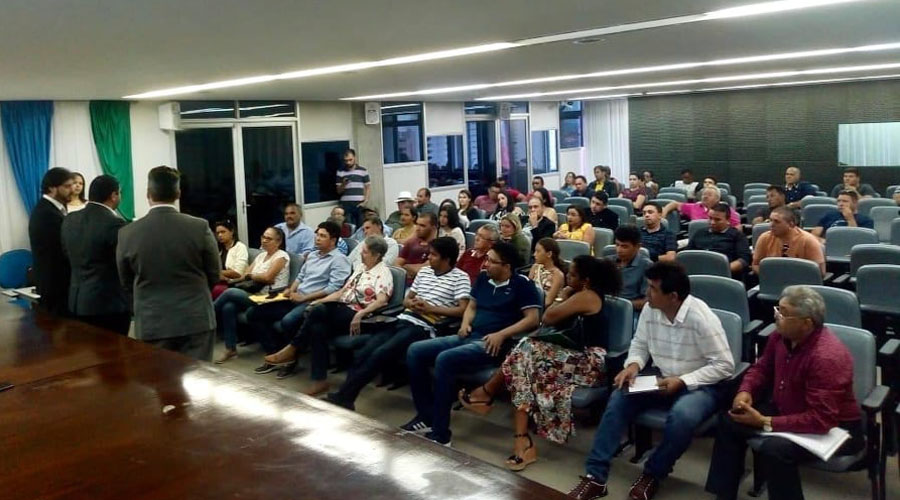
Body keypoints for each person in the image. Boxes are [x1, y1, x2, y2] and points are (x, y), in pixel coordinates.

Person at [568, 262, 734, 500]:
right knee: (619, 398)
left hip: (701, 386)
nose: (647, 293)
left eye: (653, 289)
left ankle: (653, 474)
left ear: (673, 296)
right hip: (662, 377)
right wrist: (633, 365)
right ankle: (595, 477)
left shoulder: (701, 319)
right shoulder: (651, 309)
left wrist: (683, 380)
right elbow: (640, 344)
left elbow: (724, 365)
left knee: (683, 416)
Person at [459, 256, 621, 470]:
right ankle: (521, 441)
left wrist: (563, 294)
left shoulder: (587, 296)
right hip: (573, 358)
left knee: (525, 349)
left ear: (586, 281)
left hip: (590, 365)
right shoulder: (584, 294)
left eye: (572, 275)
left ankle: (487, 394)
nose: (568, 277)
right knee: (523, 366)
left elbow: (549, 317)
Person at [705, 286, 863, 500]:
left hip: (835, 428)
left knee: (776, 450)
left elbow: (821, 419)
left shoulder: (826, 357)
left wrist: (765, 422)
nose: (776, 316)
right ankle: (724, 495)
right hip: (790, 409)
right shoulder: (780, 337)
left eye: (784, 313)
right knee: (730, 420)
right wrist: (745, 390)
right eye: (777, 309)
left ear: (807, 323)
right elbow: (762, 368)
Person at [401, 242, 541, 445]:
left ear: (506, 266)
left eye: (491, 261)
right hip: (469, 335)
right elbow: (472, 306)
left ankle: (441, 434)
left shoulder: (523, 285)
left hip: (494, 343)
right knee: (415, 351)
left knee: (445, 359)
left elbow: (533, 319)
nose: (485, 264)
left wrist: (501, 334)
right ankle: (426, 416)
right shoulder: (484, 278)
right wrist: (465, 323)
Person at [325, 237, 471, 410]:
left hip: (424, 326)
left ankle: (346, 397)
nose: (428, 258)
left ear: (446, 259)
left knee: (380, 353)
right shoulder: (424, 272)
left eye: (433, 255)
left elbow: (462, 310)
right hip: (403, 319)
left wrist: (431, 308)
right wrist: (412, 303)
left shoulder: (460, 278)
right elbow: (406, 301)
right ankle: (344, 396)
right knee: (365, 352)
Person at [117, 166, 220, 361]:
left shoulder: (127, 233)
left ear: (148, 193)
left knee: (159, 378)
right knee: (199, 377)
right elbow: (214, 273)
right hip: (195, 318)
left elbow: (126, 281)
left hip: (152, 321)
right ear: (178, 193)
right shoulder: (199, 227)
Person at [284, 236, 393, 396]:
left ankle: (294, 347)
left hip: (362, 316)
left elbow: (382, 300)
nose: (361, 254)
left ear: (376, 255)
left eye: (365, 252)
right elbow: (342, 292)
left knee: (319, 311)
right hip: (344, 310)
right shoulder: (360, 268)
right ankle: (319, 381)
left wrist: (361, 313)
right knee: (317, 328)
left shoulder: (383, 273)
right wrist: (320, 301)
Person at [249, 221, 351, 377]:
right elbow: (300, 276)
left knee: (288, 321)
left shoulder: (339, 259)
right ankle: (274, 353)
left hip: (312, 301)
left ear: (333, 240)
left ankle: (290, 360)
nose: (317, 238)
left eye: (322, 236)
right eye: (317, 235)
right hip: (295, 296)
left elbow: (333, 288)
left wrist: (304, 297)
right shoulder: (313, 255)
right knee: (254, 314)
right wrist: (291, 289)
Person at [61, 175, 129, 334]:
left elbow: (66, 254)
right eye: (119, 193)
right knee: (113, 349)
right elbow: (124, 263)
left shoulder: (70, 219)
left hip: (76, 302)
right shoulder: (115, 224)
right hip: (108, 306)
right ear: (113, 195)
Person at [212, 226, 290, 363]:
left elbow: (268, 278)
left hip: (268, 298)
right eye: (263, 237)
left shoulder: (281, 256)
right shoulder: (261, 255)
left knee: (230, 292)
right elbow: (245, 274)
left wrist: (252, 276)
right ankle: (231, 349)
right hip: (254, 293)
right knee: (229, 307)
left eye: (269, 238)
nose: (264, 240)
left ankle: (209, 315)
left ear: (278, 242)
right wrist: (232, 279)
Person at [29, 167, 74, 316]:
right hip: (54, 283)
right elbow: (60, 250)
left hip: (57, 281)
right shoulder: (46, 214)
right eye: (67, 186)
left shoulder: (53, 209)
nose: (72, 190)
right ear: (52, 188)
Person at [685, 203, 752, 278]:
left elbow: (743, 260)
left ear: (727, 220)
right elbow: (687, 255)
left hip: (723, 275)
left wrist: (723, 270)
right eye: (710, 218)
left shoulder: (737, 236)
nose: (712, 222)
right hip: (697, 272)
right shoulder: (700, 233)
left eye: (717, 220)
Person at [753, 207, 825, 276]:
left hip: (801, 281)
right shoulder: (764, 238)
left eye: (777, 222)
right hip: (772, 280)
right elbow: (756, 264)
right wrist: (769, 276)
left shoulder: (808, 240)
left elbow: (820, 272)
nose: (771, 225)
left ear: (791, 224)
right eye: (770, 220)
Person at [612, 225, 650, 312]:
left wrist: (622, 305)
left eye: (624, 246)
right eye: (617, 245)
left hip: (631, 311)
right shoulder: (608, 262)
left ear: (637, 247)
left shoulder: (647, 266)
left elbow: (647, 301)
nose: (619, 250)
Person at [661, 186, 741, 228]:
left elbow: (737, 227)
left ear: (717, 199)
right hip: (697, 239)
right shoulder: (694, 207)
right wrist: (663, 214)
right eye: (704, 194)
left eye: (709, 195)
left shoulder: (726, 210)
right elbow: (674, 204)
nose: (705, 196)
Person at [211, 219, 249, 299]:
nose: (220, 235)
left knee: (213, 291)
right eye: (218, 233)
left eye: (223, 232)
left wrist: (217, 272)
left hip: (234, 283)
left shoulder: (240, 247)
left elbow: (238, 273)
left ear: (231, 232)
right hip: (218, 281)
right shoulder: (219, 249)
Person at [396, 211, 438, 284]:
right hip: (404, 283)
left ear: (433, 228)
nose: (417, 228)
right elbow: (396, 265)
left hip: (425, 284)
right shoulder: (410, 243)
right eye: (417, 224)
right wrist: (411, 270)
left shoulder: (438, 247)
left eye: (422, 225)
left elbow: (424, 270)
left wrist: (405, 266)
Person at [335, 148, 370, 226]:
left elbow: (368, 187)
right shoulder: (340, 171)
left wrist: (365, 201)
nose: (348, 162)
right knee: (349, 226)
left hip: (359, 203)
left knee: (361, 226)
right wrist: (344, 184)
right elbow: (338, 191)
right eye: (346, 160)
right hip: (345, 204)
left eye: (350, 160)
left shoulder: (363, 171)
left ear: (354, 158)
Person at [528, 238, 566, 306]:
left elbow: (548, 301)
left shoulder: (557, 275)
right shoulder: (535, 267)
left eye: (538, 251)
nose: (534, 254)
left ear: (549, 254)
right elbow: (527, 288)